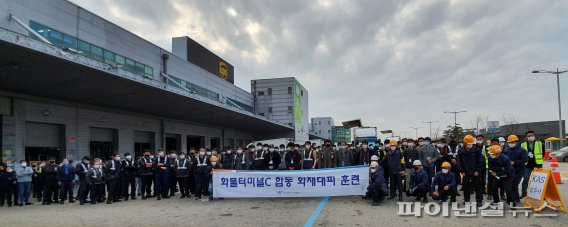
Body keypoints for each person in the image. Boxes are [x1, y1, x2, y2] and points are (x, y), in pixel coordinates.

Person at [457, 135, 484, 207]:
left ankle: (479, 201)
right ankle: (466, 200)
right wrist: (462, 171)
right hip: (465, 172)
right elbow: (459, 162)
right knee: (466, 186)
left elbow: (480, 160)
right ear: (464, 143)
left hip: (475, 171)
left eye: (471, 143)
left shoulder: (476, 150)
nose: (469, 145)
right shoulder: (460, 151)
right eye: (468, 143)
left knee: (478, 186)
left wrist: (477, 170)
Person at [503, 135, 527, 205]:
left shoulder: (522, 150)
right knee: (509, 185)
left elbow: (525, 160)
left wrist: (515, 162)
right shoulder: (506, 150)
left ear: (516, 142)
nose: (511, 143)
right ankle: (511, 198)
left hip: (518, 171)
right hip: (509, 171)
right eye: (510, 142)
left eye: (513, 142)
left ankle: (516, 199)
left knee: (514, 185)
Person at [520, 131, 543, 199]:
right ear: (526, 137)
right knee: (526, 179)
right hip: (527, 165)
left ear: (534, 136)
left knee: (539, 181)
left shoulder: (539, 143)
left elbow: (543, 153)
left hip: (537, 165)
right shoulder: (523, 145)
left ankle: (540, 195)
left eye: (532, 135)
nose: (531, 137)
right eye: (529, 136)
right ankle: (524, 193)